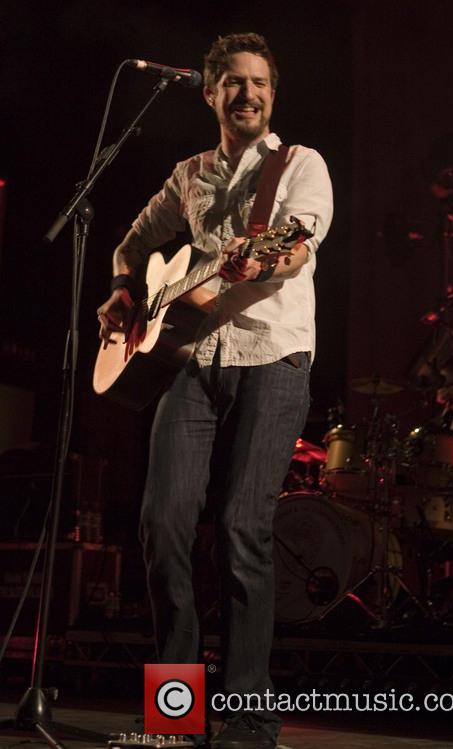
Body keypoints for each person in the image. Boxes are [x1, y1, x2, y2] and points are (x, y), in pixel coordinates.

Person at [97, 32, 333, 749]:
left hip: (275, 358)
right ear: (210, 93)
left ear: (273, 93)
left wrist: (248, 263)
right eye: (234, 81)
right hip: (195, 361)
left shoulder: (301, 165)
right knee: (162, 521)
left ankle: (250, 719)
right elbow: (134, 243)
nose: (249, 93)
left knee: (240, 528)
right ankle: (175, 712)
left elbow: (293, 246)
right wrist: (121, 291)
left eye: (260, 82)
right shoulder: (190, 174)